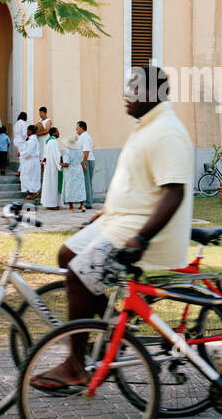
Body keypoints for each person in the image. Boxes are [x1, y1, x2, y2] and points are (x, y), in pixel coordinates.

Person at [33, 64, 193, 390]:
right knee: (67, 255)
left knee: (79, 272)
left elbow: (173, 191)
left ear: (151, 93)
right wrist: (107, 212)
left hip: (143, 229)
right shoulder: (147, 125)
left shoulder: (167, 130)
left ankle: (76, 364)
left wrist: (142, 238)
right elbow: (138, 182)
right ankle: (108, 328)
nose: (126, 94)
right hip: (119, 220)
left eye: (133, 88)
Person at [61, 135, 86, 211]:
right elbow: (82, 161)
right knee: (80, 187)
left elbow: (67, 164)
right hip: (78, 170)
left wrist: (60, 163)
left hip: (70, 171)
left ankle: (71, 207)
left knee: (70, 187)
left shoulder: (67, 152)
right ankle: (82, 205)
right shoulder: (79, 150)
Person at [19, 124, 42, 199]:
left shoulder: (32, 141)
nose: (27, 132)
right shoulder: (33, 140)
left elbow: (28, 152)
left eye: (27, 130)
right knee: (30, 177)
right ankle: (32, 192)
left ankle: (34, 191)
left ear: (31, 131)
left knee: (27, 177)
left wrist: (21, 153)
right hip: (31, 160)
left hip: (31, 161)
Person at [75, 120, 94, 209]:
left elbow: (86, 152)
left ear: (82, 128)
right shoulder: (82, 136)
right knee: (86, 182)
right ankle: (87, 201)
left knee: (86, 182)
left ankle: (88, 203)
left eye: (77, 128)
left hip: (87, 160)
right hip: (86, 160)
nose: (76, 129)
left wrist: (83, 163)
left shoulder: (85, 137)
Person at [41, 126, 61, 208]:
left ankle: (48, 203)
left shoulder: (47, 142)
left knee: (48, 185)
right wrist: (60, 165)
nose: (58, 133)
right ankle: (53, 204)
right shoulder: (54, 142)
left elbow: (44, 155)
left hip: (48, 166)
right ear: (53, 133)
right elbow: (57, 155)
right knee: (53, 184)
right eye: (57, 131)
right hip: (53, 167)